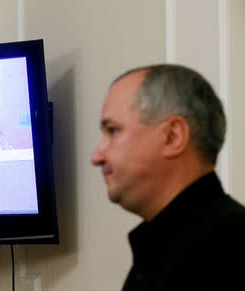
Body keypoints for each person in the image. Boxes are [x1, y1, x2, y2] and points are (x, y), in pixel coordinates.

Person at [91, 64, 245, 290]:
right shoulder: (166, 248)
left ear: (173, 137)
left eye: (113, 131)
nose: (96, 157)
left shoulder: (229, 250)